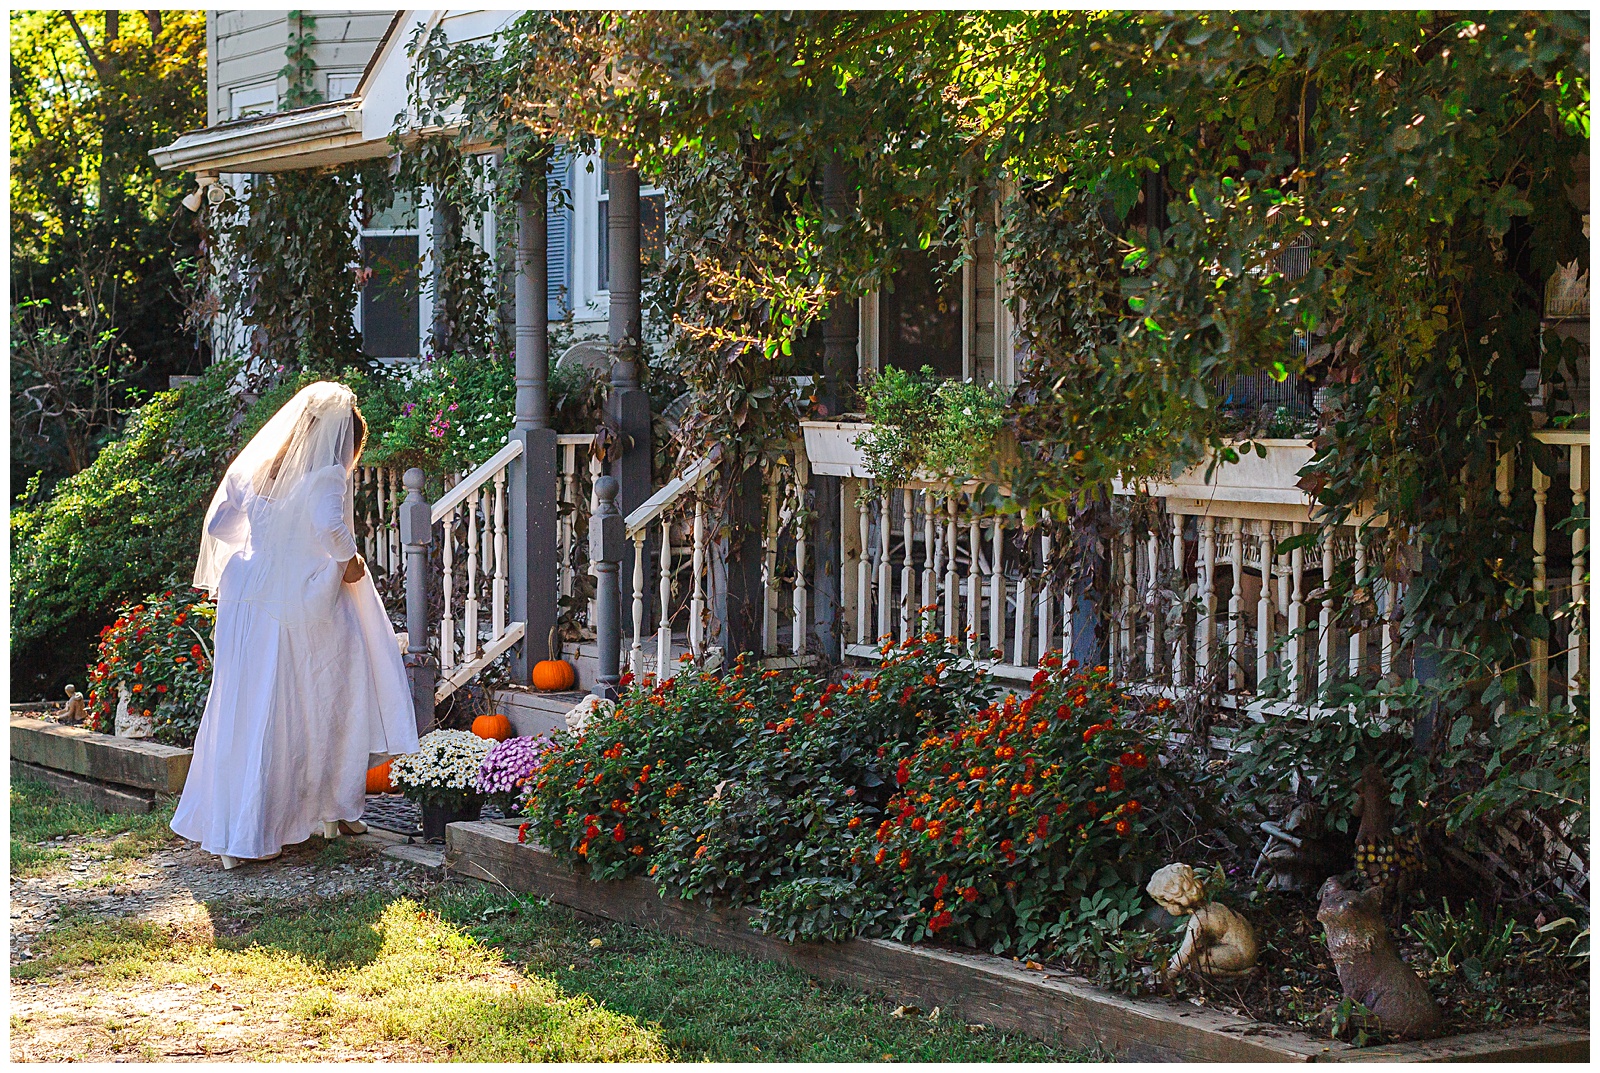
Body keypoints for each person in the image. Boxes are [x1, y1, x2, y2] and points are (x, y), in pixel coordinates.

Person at [172, 382, 418, 869]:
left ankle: (260, 822)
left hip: (246, 594)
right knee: (318, 701)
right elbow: (330, 526)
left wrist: (269, 545)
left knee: (246, 705)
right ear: (342, 443)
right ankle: (300, 816)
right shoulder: (327, 475)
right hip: (299, 600)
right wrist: (349, 566)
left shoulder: (262, 468)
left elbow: (222, 526)